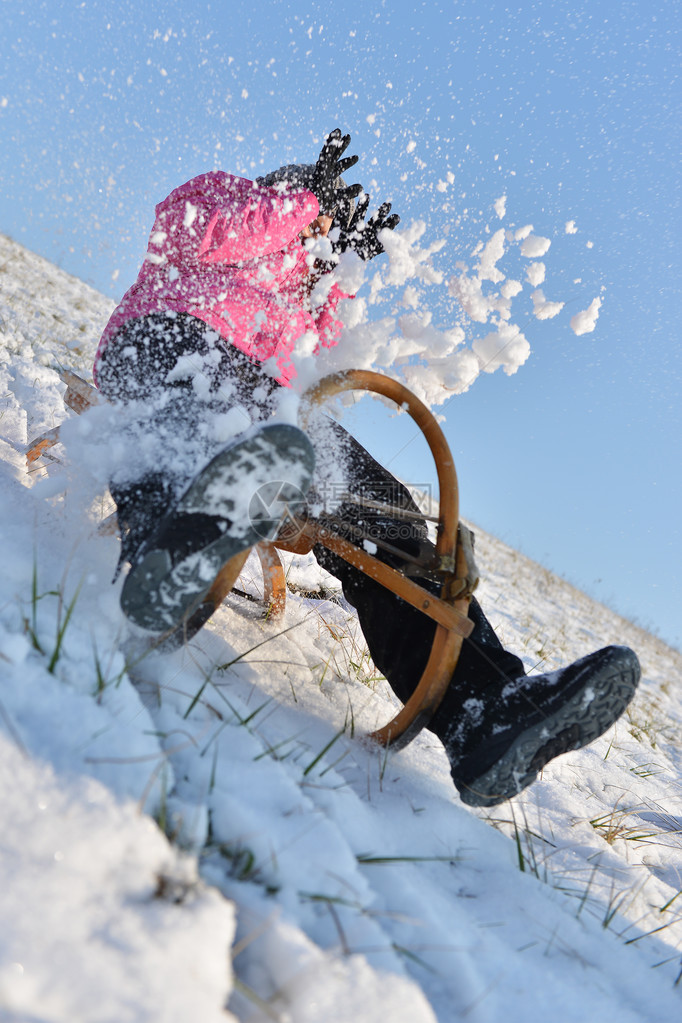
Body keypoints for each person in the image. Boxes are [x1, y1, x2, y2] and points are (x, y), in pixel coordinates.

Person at [93, 129, 640, 808]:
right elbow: (198, 233)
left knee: (378, 501)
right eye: (314, 226)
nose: (312, 243)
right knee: (181, 416)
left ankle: (483, 706)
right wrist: (301, 206)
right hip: (161, 341)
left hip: (260, 404)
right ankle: (159, 565)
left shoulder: (296, 292)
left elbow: (310, 360)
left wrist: (334, 270)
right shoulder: (221, 197)